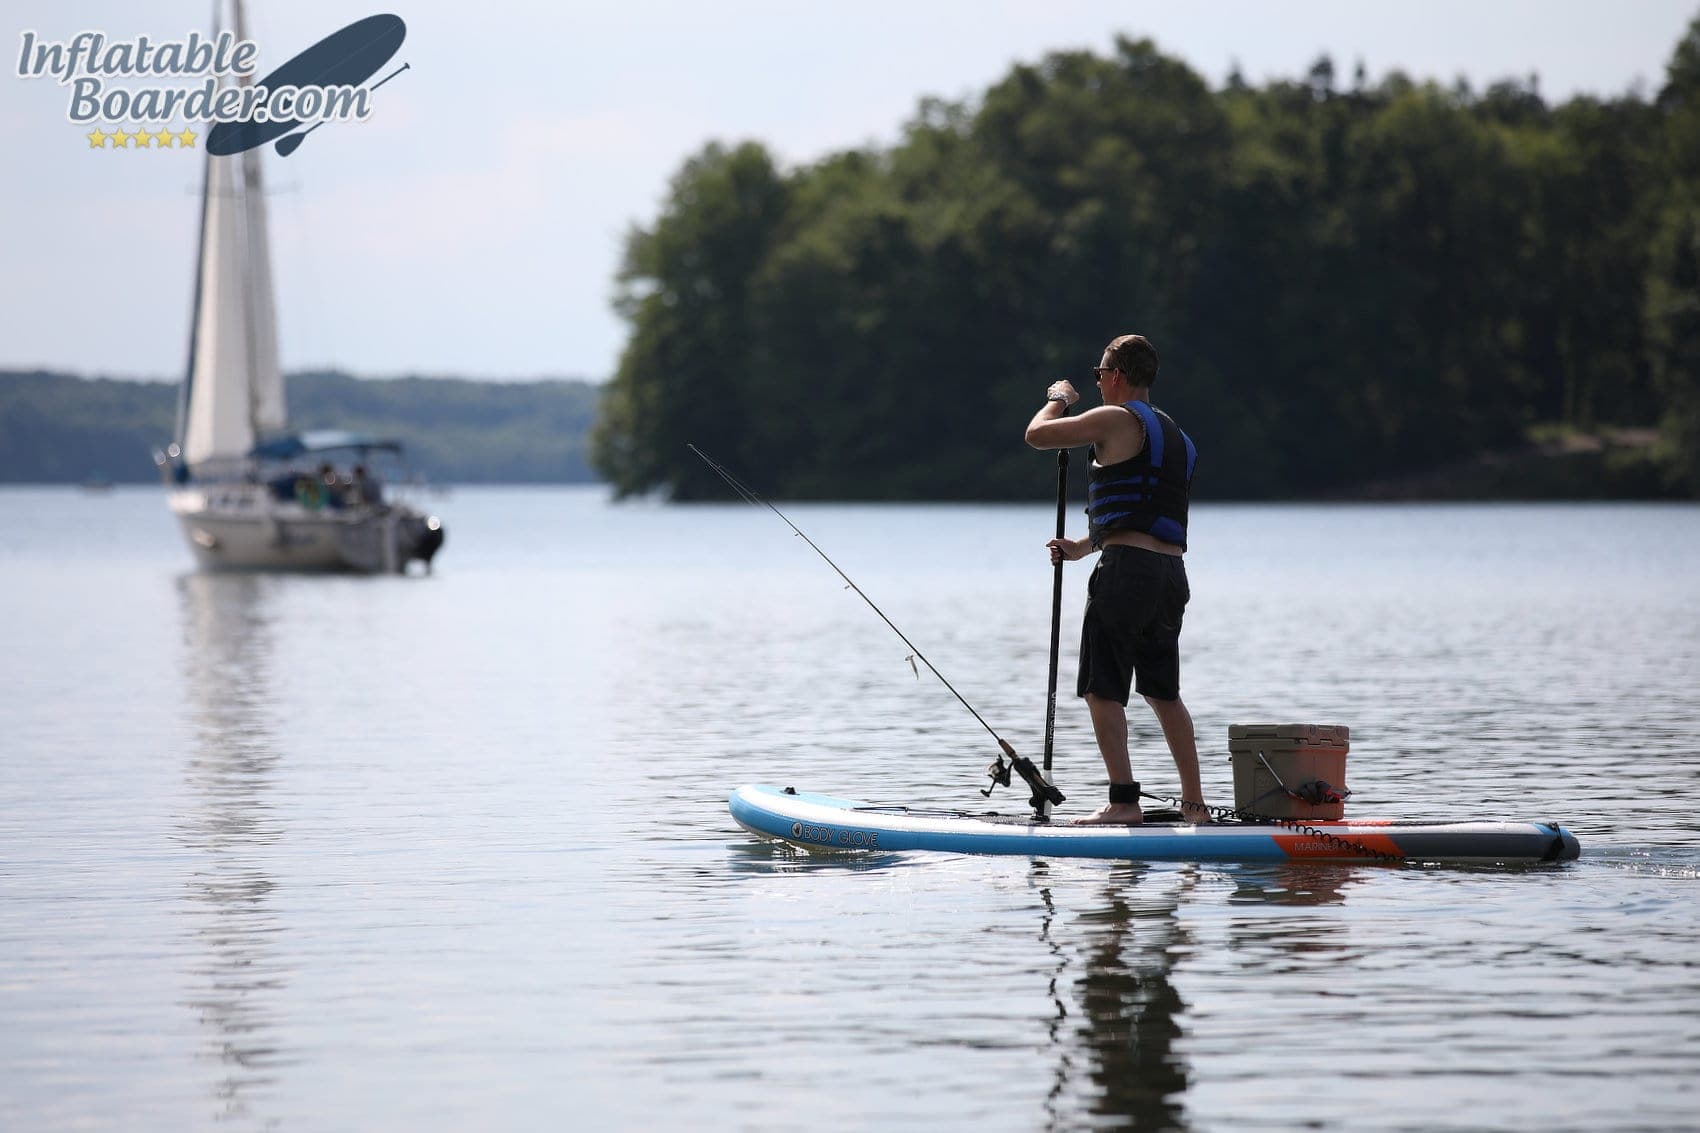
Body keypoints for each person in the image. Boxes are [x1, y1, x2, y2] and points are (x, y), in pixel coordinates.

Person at [1023, 333, 1208, 825]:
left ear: (1118, 376)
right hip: (1170, 574)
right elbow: (1144, 514)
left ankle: (1124, 803)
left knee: (1102, 691)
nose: (1099, 382)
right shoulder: (1179, 438)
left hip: (1127, 575)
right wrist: (1082, 548)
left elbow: (1037, 436)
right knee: (1163, 692)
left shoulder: (1115, 418)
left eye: (1100, 374)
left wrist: (1057, 399)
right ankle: (1195, 805)